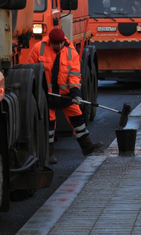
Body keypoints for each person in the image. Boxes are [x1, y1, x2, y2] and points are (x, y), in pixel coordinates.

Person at [27, 28, 103, 164]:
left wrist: (76, 93)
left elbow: (74, 74)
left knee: (78, 118)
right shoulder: (39, 48)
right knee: (49, 125)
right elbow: (31, 70)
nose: (59, 46)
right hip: (47, 96)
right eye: (56, 44)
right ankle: (48, 154)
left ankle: (87, 146)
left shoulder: (70, 51)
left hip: (65, 95)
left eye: (61, 43)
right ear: (50, 42)